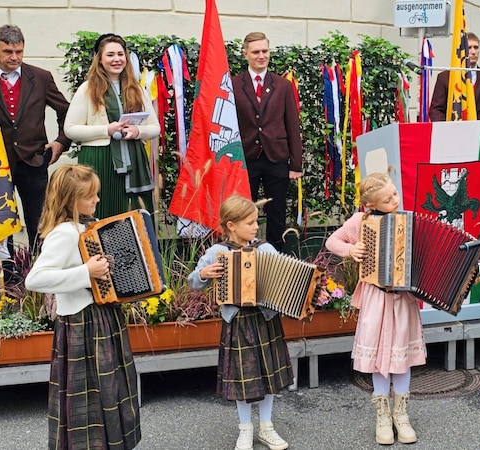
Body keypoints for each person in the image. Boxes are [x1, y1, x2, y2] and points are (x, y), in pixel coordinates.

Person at [25, 165, 140, 449]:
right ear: (69, 200)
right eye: (90, 196)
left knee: (109, 393)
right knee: (88, 400)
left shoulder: (87, 227)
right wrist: (86, 272)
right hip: (82, 322)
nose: (97, 200)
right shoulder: (64, 233)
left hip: (102, 317)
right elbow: (35, 279)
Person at [325, 172, 426, 445]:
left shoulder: (408, 220)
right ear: (371, 205)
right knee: (379, 355)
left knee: (401, 355)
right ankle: (382, 415)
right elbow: (332, 241)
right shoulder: (361, 221)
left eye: (395, 194)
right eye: (387, 198)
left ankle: (401, 414)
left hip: (402, 299)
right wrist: (352, 250)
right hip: (375, 297)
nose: (395, 200)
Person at [187, 195, 293, 450]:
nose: (256, 227)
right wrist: (203, 274)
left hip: (265, 318)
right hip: (236, 321)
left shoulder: (265, 249)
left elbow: (284, 279)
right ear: (231, 225)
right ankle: (245, 429)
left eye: (256, 221)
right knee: (242, 378)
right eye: (250, 223)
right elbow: (193, 281)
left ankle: (266, 427)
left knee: (268, 375)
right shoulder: (217, 252)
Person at [0, 24, 71, 252]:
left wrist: (61, 142)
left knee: (39, 223)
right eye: (8, 52)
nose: (15, 57)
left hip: (34, 160)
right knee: (0, 225)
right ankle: (6, 277)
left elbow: (66, 111)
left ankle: (40, 273)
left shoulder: (41, 77)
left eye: (19, 52)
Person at [64, 33, 160, 220]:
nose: (116, 59)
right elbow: (70, 129)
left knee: (134, 215)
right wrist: (106, 130)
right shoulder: (87, 89)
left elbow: (155, 127)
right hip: (100, 159)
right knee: (101, 212)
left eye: (120, 54)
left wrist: (138, 131)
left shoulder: (137, 89)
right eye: (110, 55)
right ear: (100, 59)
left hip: (133, 158)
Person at [232, 32, 303, 251]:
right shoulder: (233, 84)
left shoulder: (282, 85)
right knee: (244, 212)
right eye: (255, 52)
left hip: (276, 158)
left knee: (277, 212)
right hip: (247, 158)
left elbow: (292, 124)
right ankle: (245, 257)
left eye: (265, 51)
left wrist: (296, 164)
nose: (261, 56)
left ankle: (276, 258)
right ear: (246, 54)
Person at [429, 32, 480, 121]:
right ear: (461, 51)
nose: (473, 52)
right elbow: (436, 110)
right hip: (454, 130)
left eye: (476, 47)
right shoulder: (445, 78)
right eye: (469, 48)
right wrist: (446, 130)